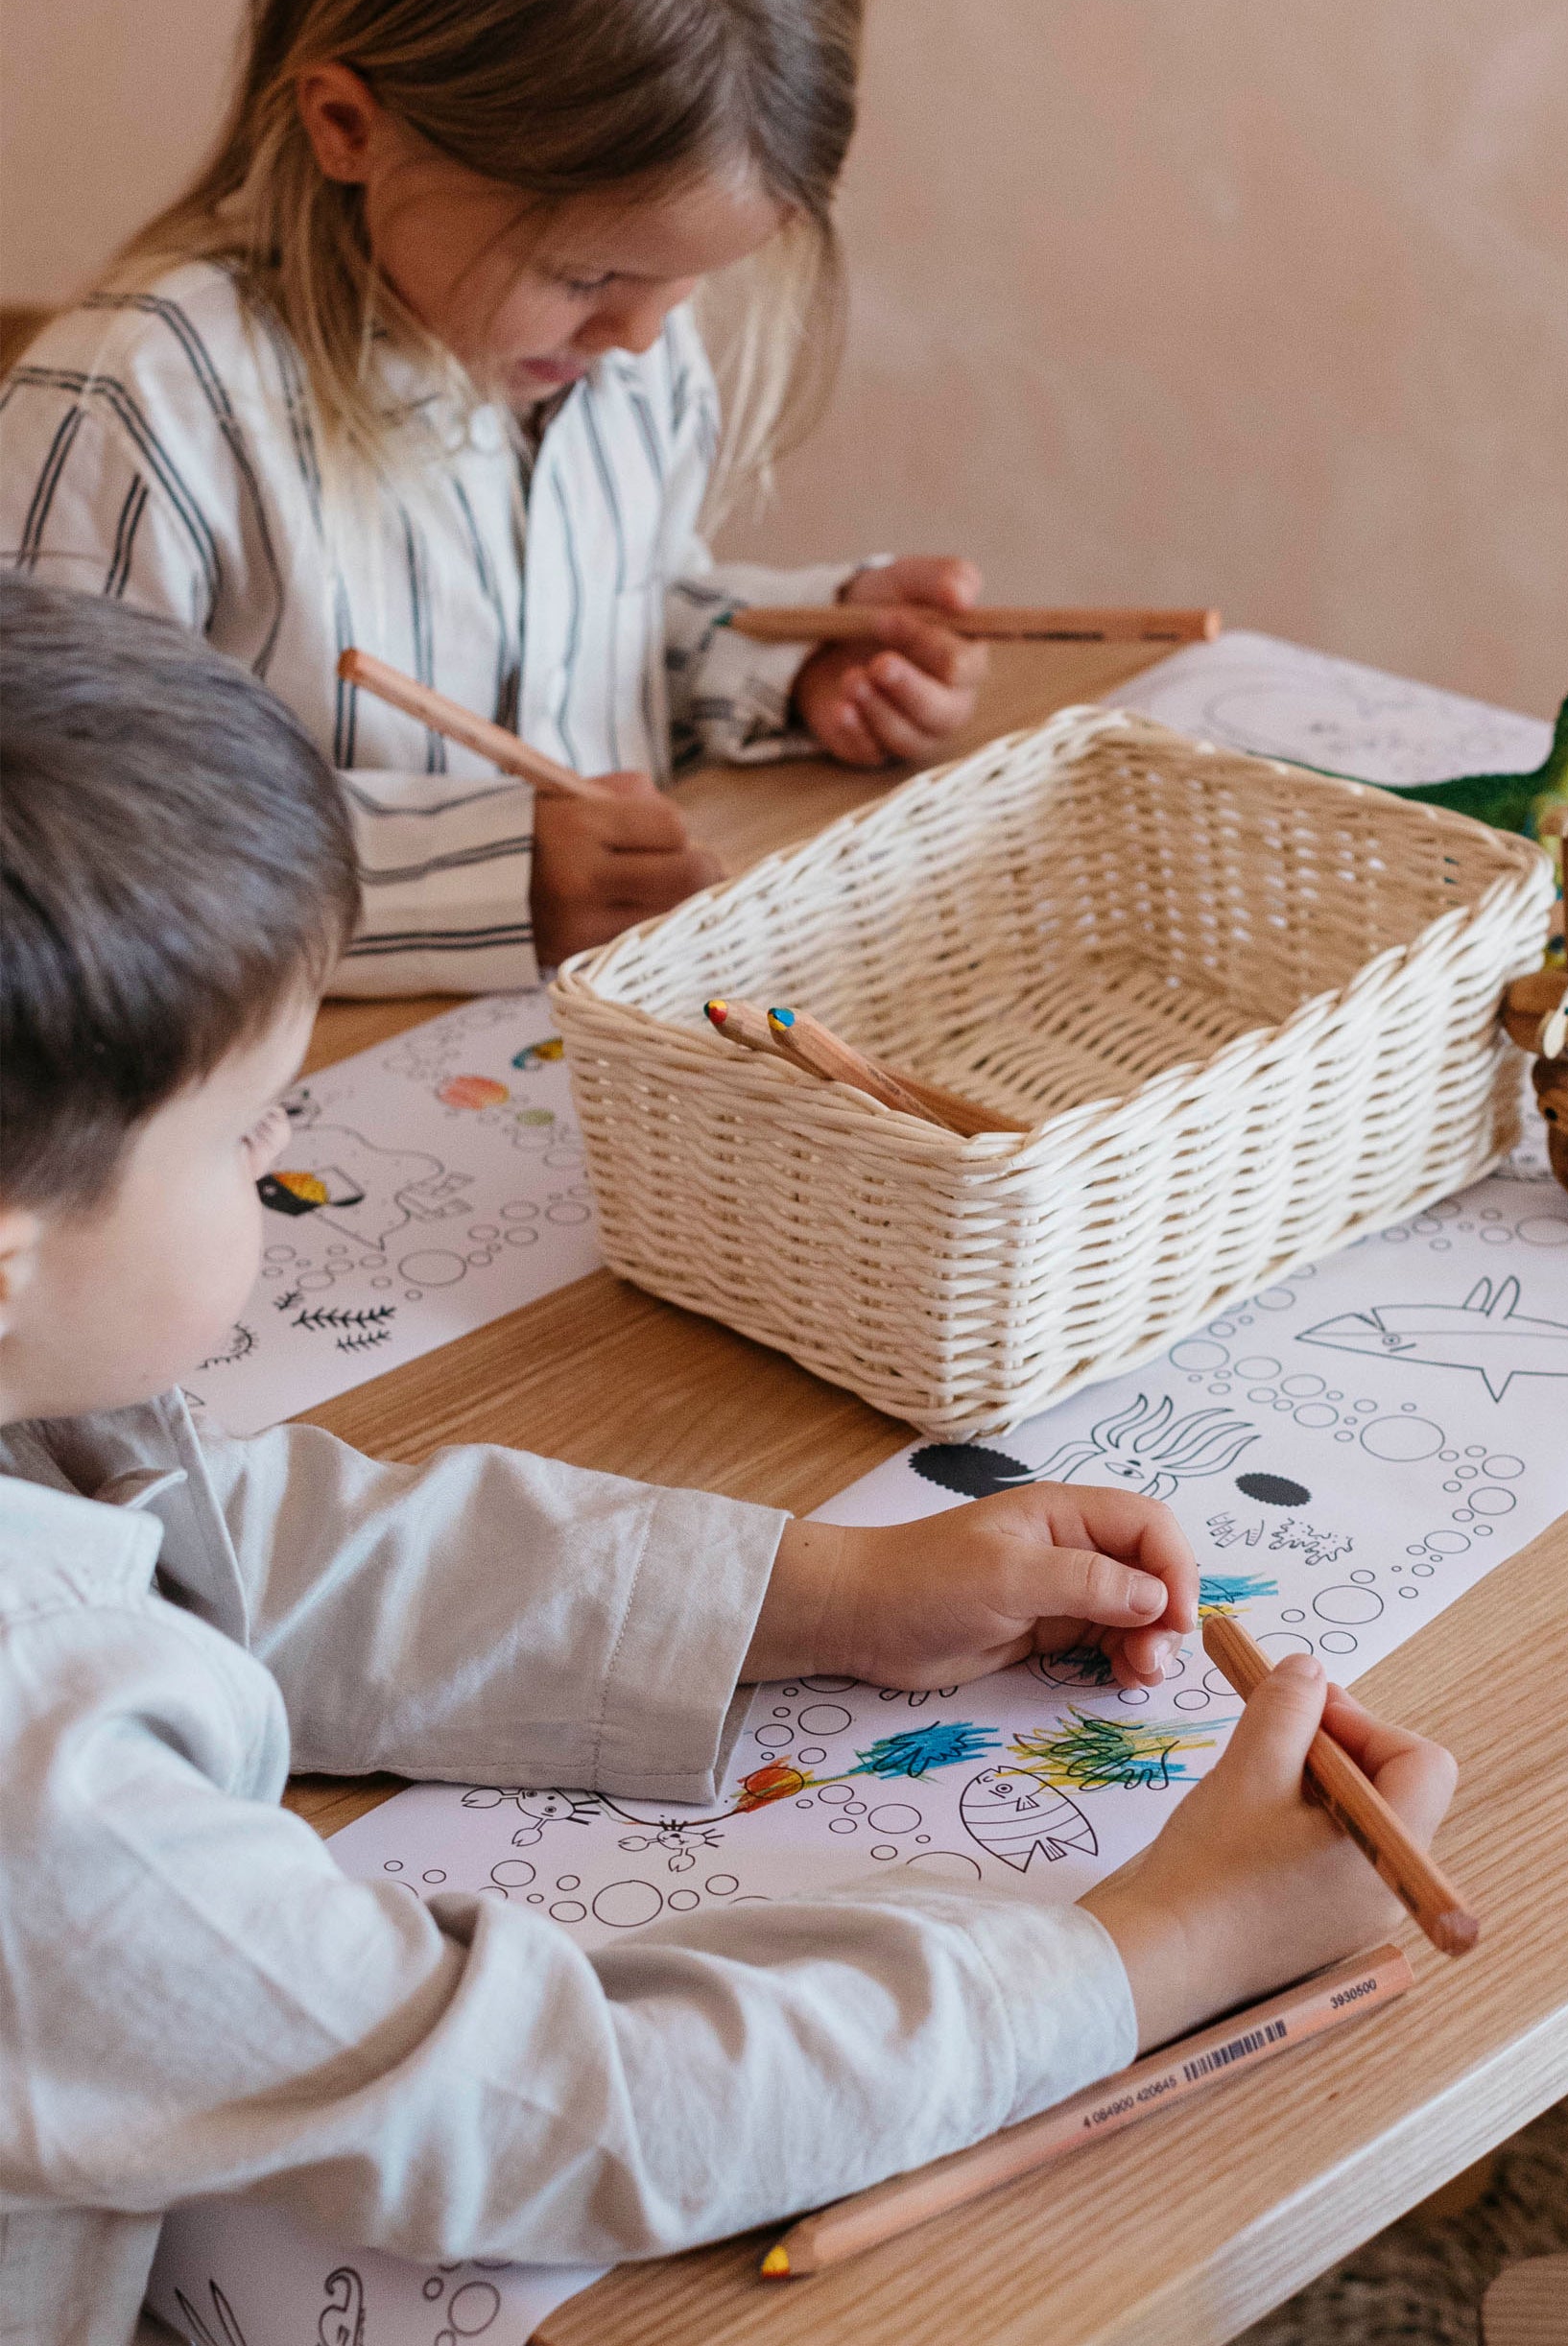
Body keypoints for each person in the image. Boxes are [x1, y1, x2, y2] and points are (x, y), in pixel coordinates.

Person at [0, 579, 1459, 2340]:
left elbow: (237, 1549)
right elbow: (548, 2105)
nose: (286, 1140)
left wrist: (823, 1590)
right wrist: (1165, 1948)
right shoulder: (46, 1795)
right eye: (247, 1129)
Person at [0, 0, 987, 995]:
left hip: (584, 1032)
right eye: (585, 276)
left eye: (686, 280)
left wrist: (794, 660)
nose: (641, 336)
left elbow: (605, 636)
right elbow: (52, 838)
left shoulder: (605, 354)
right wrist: (463, 879)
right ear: (348, 127)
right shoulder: (141, 403)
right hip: (287, 1069)